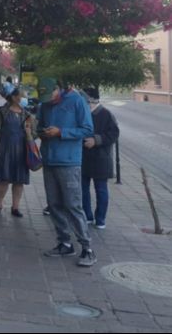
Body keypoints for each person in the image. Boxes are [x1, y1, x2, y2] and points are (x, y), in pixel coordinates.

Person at [36, 77, 97, 267]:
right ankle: (64, 242)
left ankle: (87, 248)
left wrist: (61, 132)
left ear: (58, 88)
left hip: (69, 161)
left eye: (51, 95)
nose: (49, 100)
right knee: (53, 204)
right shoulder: (44, 105)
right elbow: (40, 127)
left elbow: (87, 129)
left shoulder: (77, 101)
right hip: (49, 160)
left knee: (73, 205)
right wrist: (41, 132)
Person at [0, 88, 34, 217]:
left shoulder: (27, 115)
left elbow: (35, 131)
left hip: (22, 150)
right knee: (3, 179)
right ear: (14, 97)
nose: (25, 99)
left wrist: (29, 134)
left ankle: (15, 207)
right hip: (5, 149)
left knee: (19, 180)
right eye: (23, 96)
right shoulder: (2, 111)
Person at [81, 87, 120, 230]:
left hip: (101, 158)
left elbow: (114, 134)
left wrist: (96, 140)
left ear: (91, 100)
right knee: (83, 188)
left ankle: (100, 218)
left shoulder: (106, 114)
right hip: (84, 157)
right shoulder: (83, 113)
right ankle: (87, 215)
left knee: (101, 189)